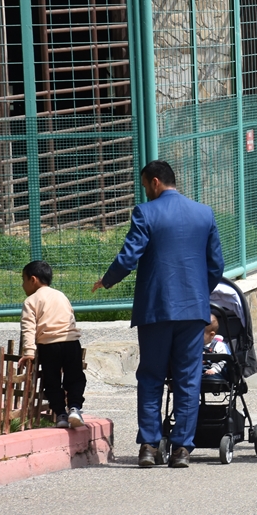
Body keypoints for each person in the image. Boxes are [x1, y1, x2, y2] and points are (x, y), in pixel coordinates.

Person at [93, 159, 224, 469]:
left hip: (156, 310)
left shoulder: (146, 212)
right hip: (192, 311)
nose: (146, 192)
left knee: (151, 376)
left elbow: (129, 256)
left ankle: (150, 446)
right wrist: (196, 291)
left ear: (154, 182)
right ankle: (181, 447)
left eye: (144, 186)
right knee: (188, 378)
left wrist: (108, 280)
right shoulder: (203, 214)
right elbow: (215, 264)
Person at [19, 260, 86, 429]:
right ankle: (75, 408)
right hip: (71, 342)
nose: (23, 285)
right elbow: (71, 317)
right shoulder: (61, 295)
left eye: (23, 280)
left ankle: (60, 415)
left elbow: (28, 328)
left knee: (52, 381)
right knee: (75, 378)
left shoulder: (31, 301)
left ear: (33, 279)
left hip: (49, 346)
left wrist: (29, 351)